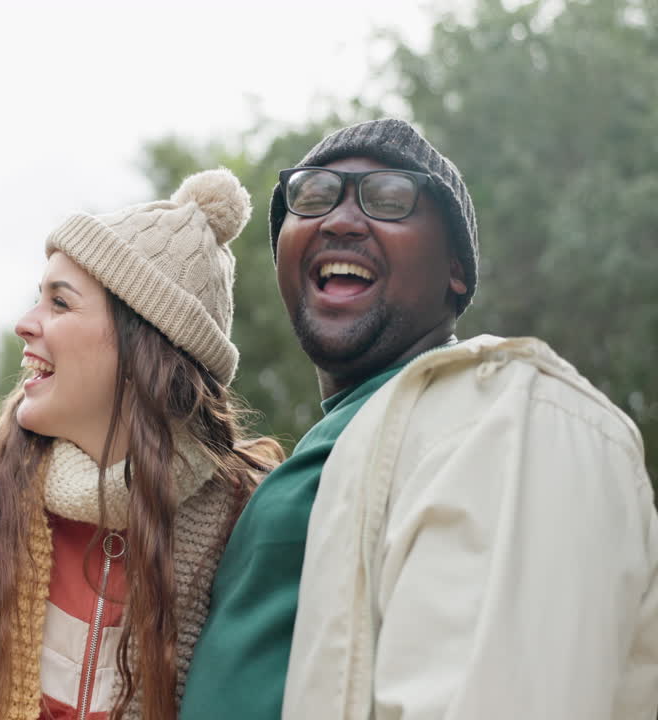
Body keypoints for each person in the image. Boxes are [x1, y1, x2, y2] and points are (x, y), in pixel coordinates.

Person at [180, 118, 658, 719]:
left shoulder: (512, 416)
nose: (340, 219)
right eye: (312, 196)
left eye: (388, 198)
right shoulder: (343, 442)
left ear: (456, 271)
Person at [0, 168, 284, 720]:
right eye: (38, 298)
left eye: (60, 303)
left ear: (141, 346)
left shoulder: (247, 521)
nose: (25, 324)